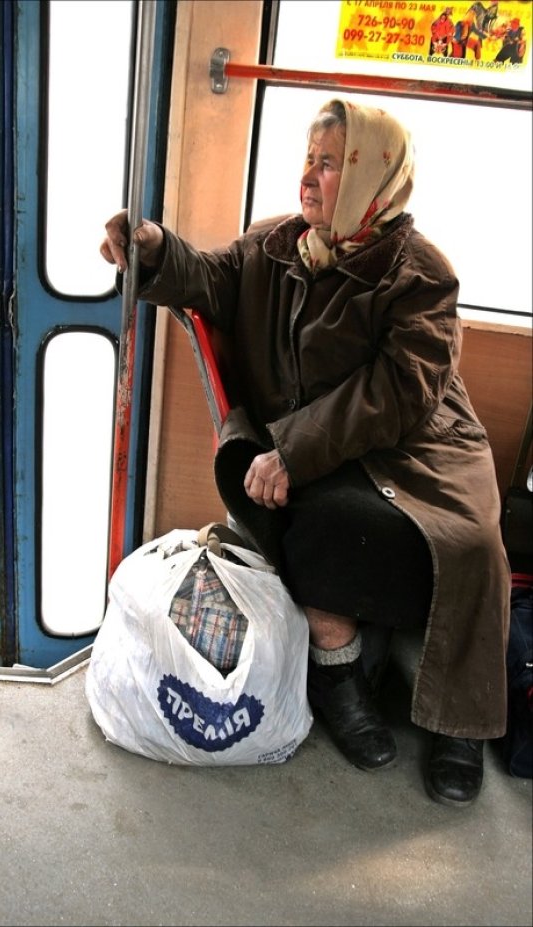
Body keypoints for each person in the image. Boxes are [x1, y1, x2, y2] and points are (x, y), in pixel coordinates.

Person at [100, 97, 511, 807]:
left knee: (473, 545)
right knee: (314, 523)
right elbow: (204, 276)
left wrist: (293, 450)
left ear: (370, 179)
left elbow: (397, 391)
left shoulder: (421, 274)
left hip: (418, 448)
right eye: (309, 160)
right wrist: (153, 249)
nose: (310, 178)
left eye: (330, 164)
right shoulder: (274, 246)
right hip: (322, 448)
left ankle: (460, 722)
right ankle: (339, 675)